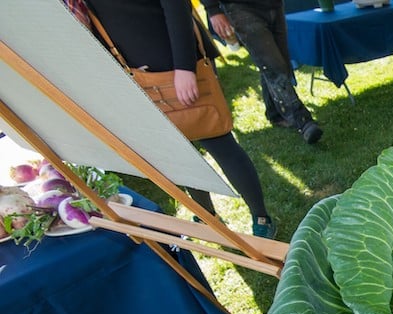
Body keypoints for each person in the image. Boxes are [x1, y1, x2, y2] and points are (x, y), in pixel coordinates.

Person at [82, 0, 278, 238]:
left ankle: (261, 216)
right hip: (139, 75)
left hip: (180, 66)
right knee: (182, 153)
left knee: (219, 142)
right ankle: (207, 217)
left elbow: (176, 8)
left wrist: (185, 68)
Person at [201, 0, 323, 144]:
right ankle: (303, 121)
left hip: (273, 5)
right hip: (239, 7)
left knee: (277, 62)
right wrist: (214, 10)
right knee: (274, 65)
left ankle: (275, 113)